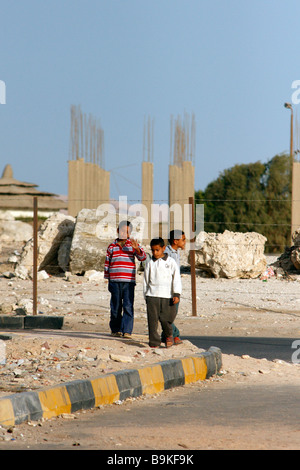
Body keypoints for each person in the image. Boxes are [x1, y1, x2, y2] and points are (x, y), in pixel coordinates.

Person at [104, 220, 146, 338]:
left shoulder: (132, 245)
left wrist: (137, 249)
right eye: (122, 230)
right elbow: (107, 263)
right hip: (114, 281)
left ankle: (127, 330)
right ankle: (115, 329)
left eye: (127, 232)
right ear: (118, 231)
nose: (124, 233)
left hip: (128, 282)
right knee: (115, 306)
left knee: (128, 305)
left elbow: (143, 257)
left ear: (130, 233)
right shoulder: (112, 246)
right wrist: (108, 279)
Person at [143, 237, 182, 348]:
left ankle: (169, 335)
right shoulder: (150, 262)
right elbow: (146, 280)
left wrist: (176, 294)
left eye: (157, 250)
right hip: (152, 295)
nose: (155, 253)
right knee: (152, 321)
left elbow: (176, 279)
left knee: (166, 319)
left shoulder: (171, 262)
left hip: (167, 295)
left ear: (163, 248)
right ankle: (154, 342)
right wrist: (146, 295)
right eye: (153, 250)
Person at [162, 229, 186, 345]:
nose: (185, 242)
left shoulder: (176, 252)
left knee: (172, 313)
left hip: (175, 288)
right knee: (168, 315)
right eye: (183, 240)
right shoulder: (166, 253)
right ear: (176, 241)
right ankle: (175, 334)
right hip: (168, 289)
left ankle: (166, 336)